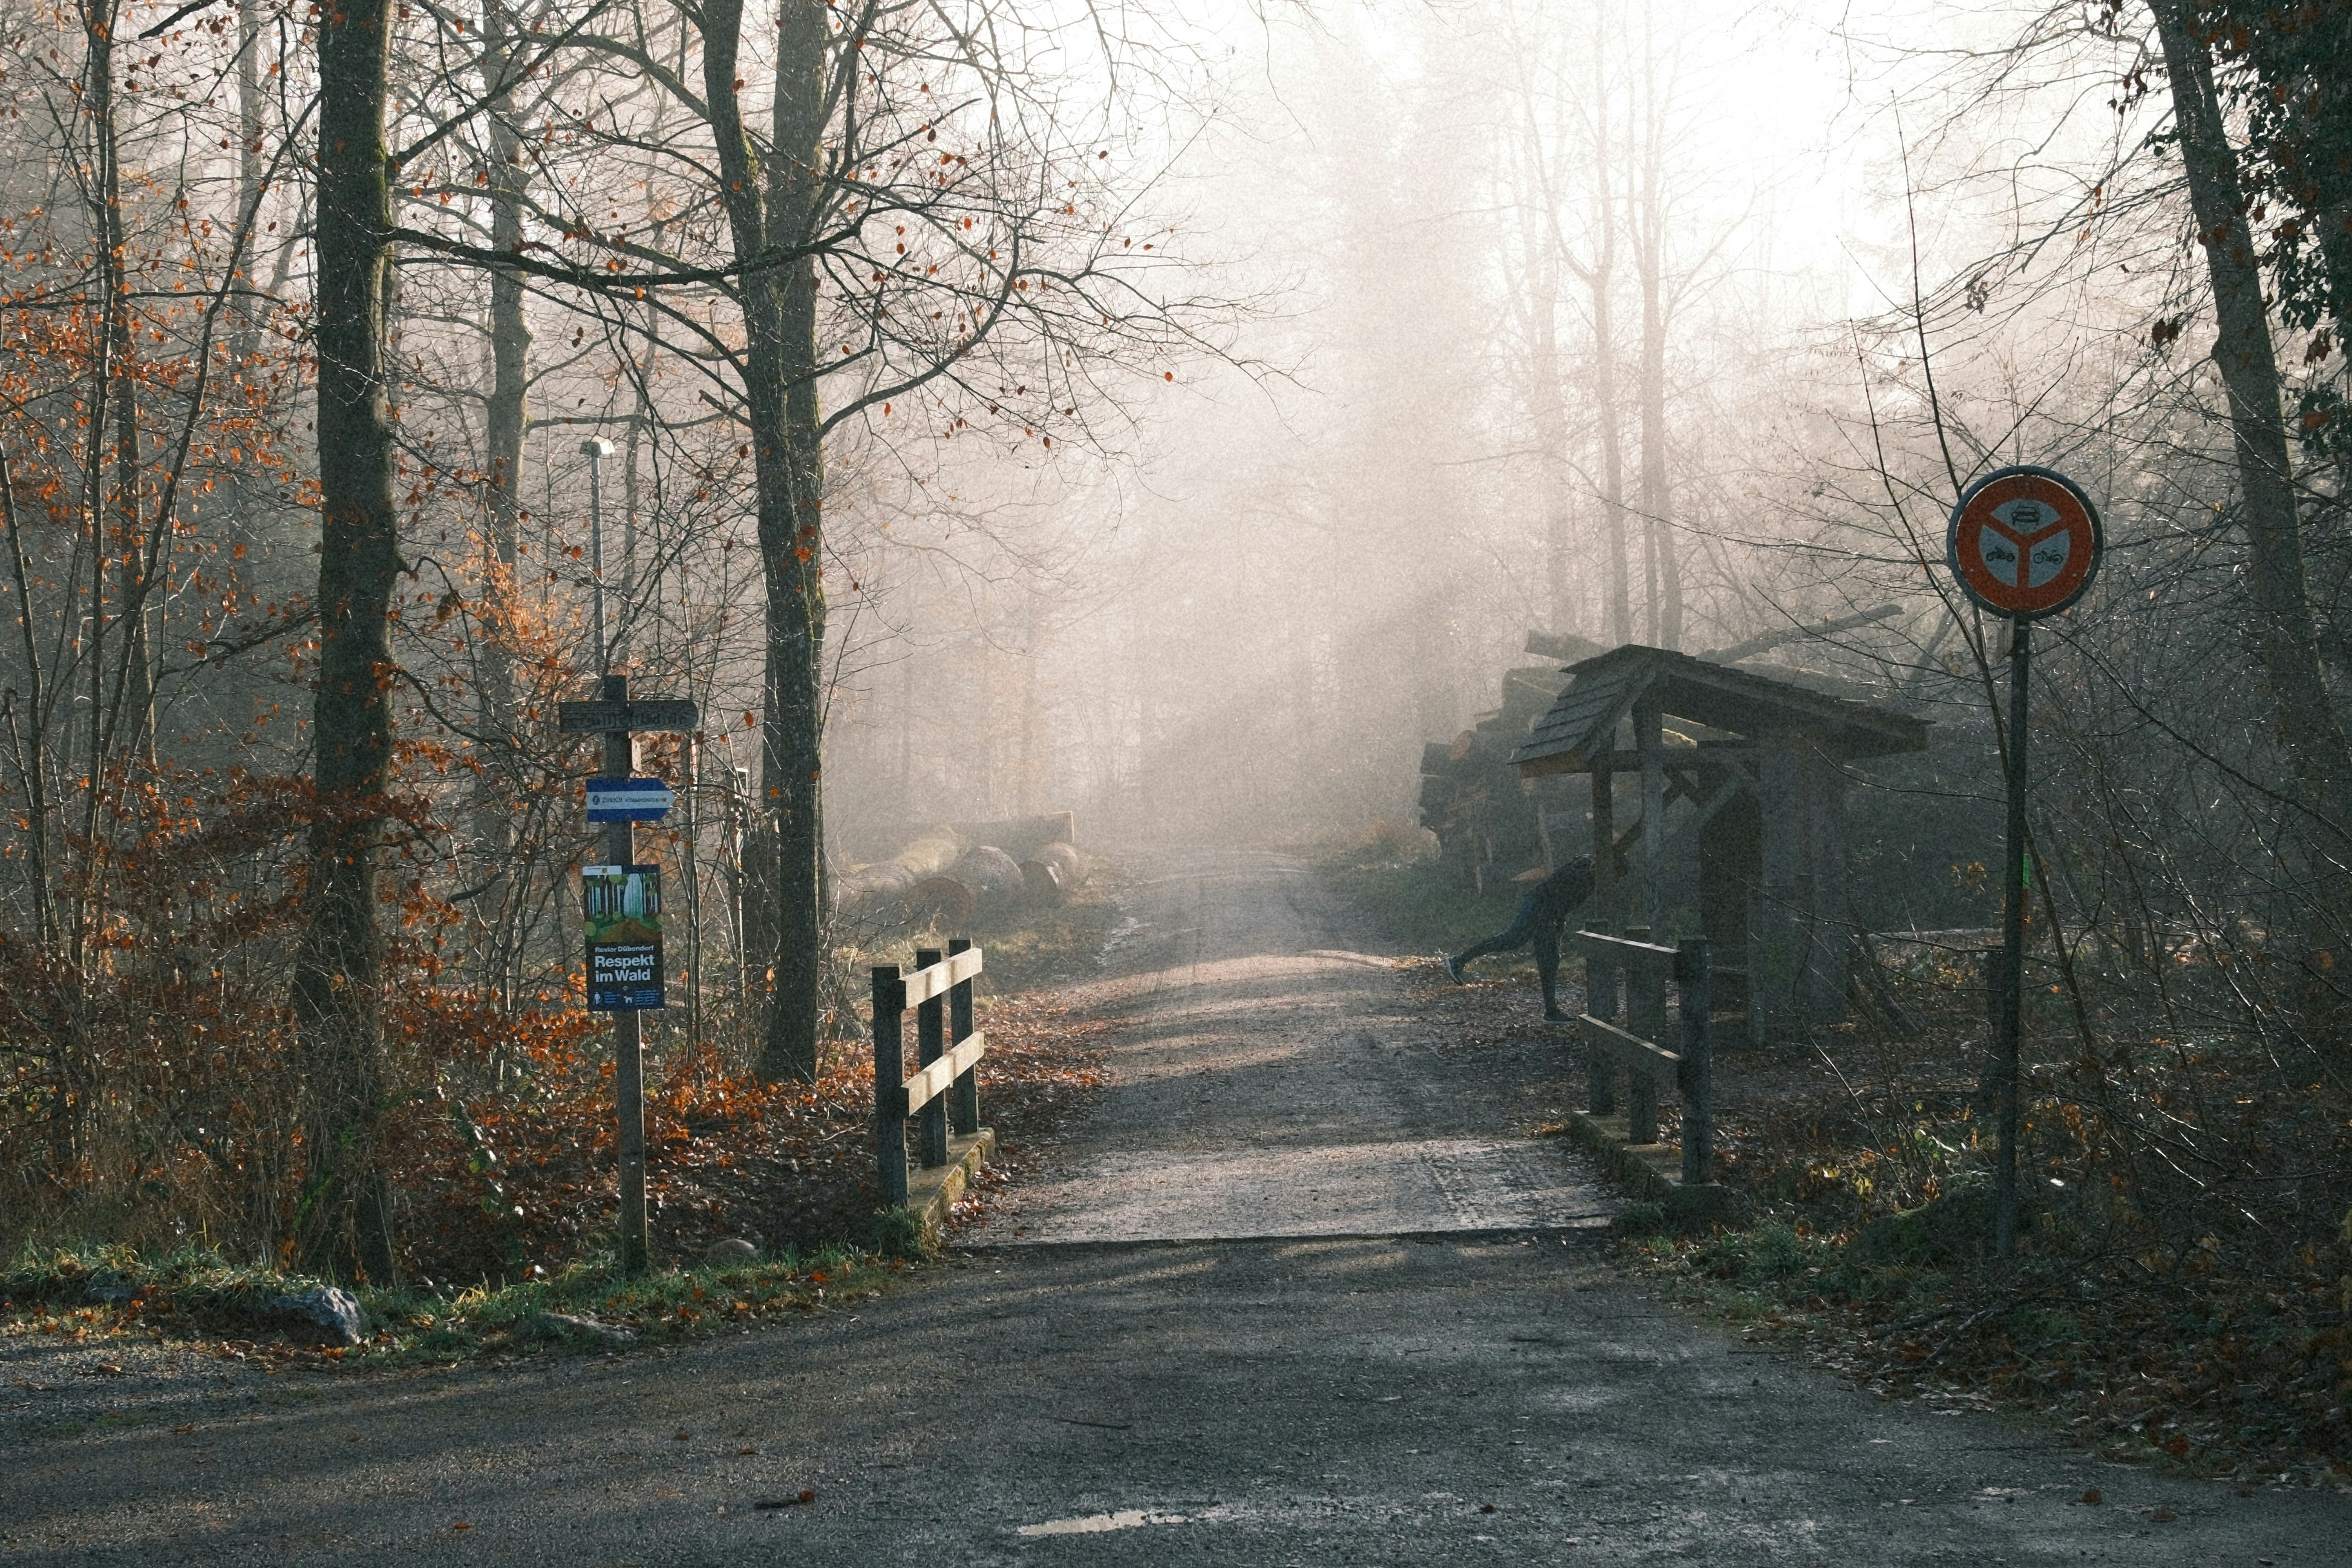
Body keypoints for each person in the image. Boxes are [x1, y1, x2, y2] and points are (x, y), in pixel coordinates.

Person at [1444, 855, 1597, 1022]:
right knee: (1511, 940)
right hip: (1538, 906)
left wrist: (1559, 922)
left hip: (1548, 913)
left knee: (1550, 959)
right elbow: (1562, 885)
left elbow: (1565, 900)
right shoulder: (1584, 867)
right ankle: (1458, 961)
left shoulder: (1590, 877)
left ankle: (1552, 1012)